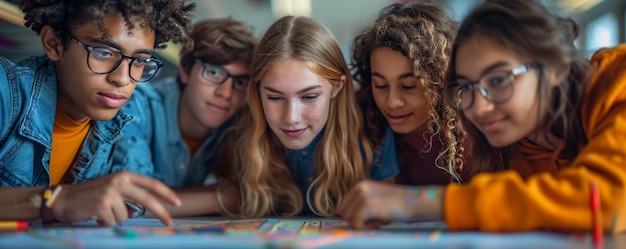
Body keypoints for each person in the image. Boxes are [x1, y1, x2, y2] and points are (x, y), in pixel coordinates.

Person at [339, 0, 626, 232]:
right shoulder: (515, 155)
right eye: (466, 87)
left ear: (556, 67)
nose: (477, 108)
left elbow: (606, 199)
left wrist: (417, 201)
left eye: (499, 80)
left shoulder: (619, 80)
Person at [0, 0, 194, 226]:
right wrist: (55, 201)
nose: (122, 78)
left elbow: (137, 203)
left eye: (140, 61)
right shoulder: (6, 92)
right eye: (103, 53)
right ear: (53, 43)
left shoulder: (125, 123)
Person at [217, 15, 400, 218]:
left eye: (309, 96)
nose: (291, 118)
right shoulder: (241, 130)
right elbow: (226, 196)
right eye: (275, 98)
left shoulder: (373, 130)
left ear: (337, 86)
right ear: (257, 91)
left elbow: (385, 219)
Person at [121, 18, 257, 188]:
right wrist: (225, 197)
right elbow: (129, 200)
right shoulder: (136, 108)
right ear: (185, 70)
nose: (226, 93)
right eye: (213, 73)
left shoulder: (237, 127)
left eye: (241, 82)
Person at [351, 0, 471, 186]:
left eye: (408, 86)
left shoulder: (476, 132)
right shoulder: (364, 125)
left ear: (442, 80)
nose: (392, 102)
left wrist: (409, 200)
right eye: (380, 85)